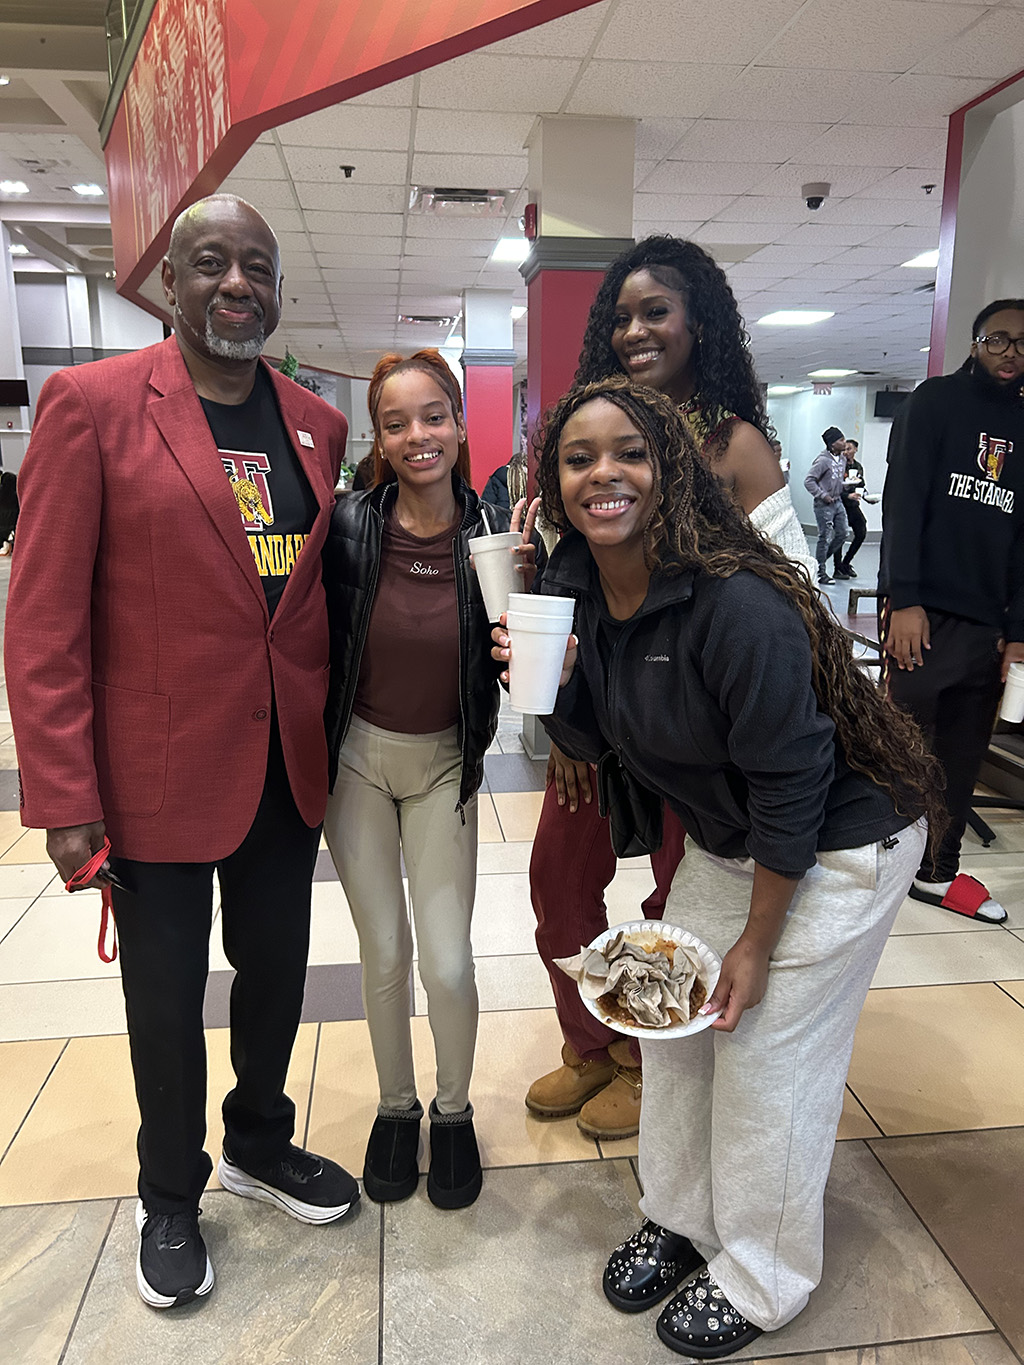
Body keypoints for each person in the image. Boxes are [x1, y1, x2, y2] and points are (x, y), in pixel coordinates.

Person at [494, 376, 939, 1360]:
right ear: (554, 481)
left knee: (763, 1057)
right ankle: (685, 1218)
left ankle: (762, 1273)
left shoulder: (736, 606)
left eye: (629, 452)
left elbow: (795, 783)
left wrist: (756, 941)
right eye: (578, 457)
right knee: (673, 1026)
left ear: (671, 472)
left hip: (837, 841)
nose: (602, 472)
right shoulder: (570, 584)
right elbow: (590, 738)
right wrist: (549, 691)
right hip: (730, 836)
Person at [4, 194, 359, 1310]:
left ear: (278, 290)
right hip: (151, 773)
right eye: (211, 263)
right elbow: (43, 614)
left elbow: (309, 604)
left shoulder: (316, 422)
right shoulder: (92, 405)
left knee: (277, 975)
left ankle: (260, 1136)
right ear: (171, 285)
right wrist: (65, 793)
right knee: (163, 999)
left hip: (280, 767)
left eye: (257, 265)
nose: (236, 283)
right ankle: (171, 1193)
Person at [525, 235, 815, 1143]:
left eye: (658, 311)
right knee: (557, 883)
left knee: (673, 903)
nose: (637, 330)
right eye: (621, 316)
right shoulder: (586, 433)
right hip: (604, 718)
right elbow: (566, 591)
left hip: (696, 731)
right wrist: (572, 730)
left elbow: (792, 593)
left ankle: (657, 1060)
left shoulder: (735, 446)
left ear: (701, 323)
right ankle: (591, 1045)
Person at [322, 349, 540, 1209]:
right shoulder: (346, 526)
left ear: (459, 423)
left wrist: (521, 635)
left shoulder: (497, 541)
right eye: (396, 421)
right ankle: (397, 1105)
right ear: (379, 436)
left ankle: (453, 1109)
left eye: (434, 416)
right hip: (356, 767)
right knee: (385, 953)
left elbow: (526, 676)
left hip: (446, 762)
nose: (418, 435)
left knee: (447, 963)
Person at [879, 298, 1024, 924]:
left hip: (991, 622)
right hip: (927, 614)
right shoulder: (933, 403)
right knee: (902, 747)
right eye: (999, 339)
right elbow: (903, 504)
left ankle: (936, 872)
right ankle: (877, 859)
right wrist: (904, 600)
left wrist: (1017, 633)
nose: (1012, 351)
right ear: (975, 344)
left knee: (963, 755)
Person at [804, 426, 849, 584]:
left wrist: (846, 486)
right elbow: (809, 481)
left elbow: (837, 480)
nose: (844, 443)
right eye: (841, 440)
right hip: (824, 505)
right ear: (832, 444)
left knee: (843, 533)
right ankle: (821, 573)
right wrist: (822, 495)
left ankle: (817, 563)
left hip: (838, 501)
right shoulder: (823, 460)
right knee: (825, 537)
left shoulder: (842, 459)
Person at [834, 438, 867, 579]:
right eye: (844, 449)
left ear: (855, 450)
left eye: (849, 449)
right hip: (840, 504)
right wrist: (848, 495)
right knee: (840, 536)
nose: (846, 452)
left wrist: (865, 496)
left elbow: (861, 484)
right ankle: (837, 568)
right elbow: (834, 488)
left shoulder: (858, 467)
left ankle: (846, 563)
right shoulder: (838, 466)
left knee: (861, 532)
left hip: (853, 506)